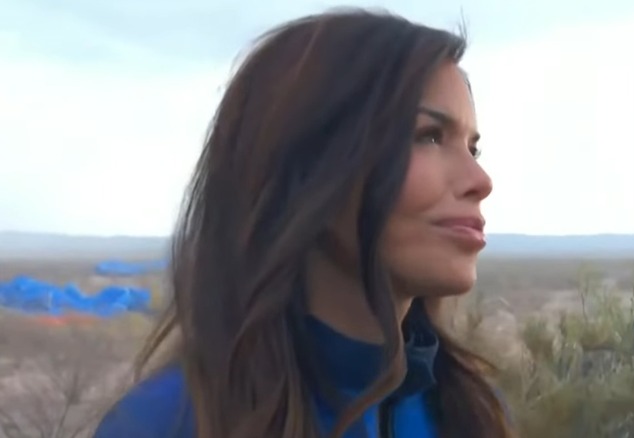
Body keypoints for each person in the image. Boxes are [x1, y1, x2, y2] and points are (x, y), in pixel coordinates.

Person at [94, 8, 514, 438]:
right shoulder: (167, 424)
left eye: (472, 148)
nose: (479, 181)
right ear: (310, 168)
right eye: (428, 136)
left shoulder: (470, 413)